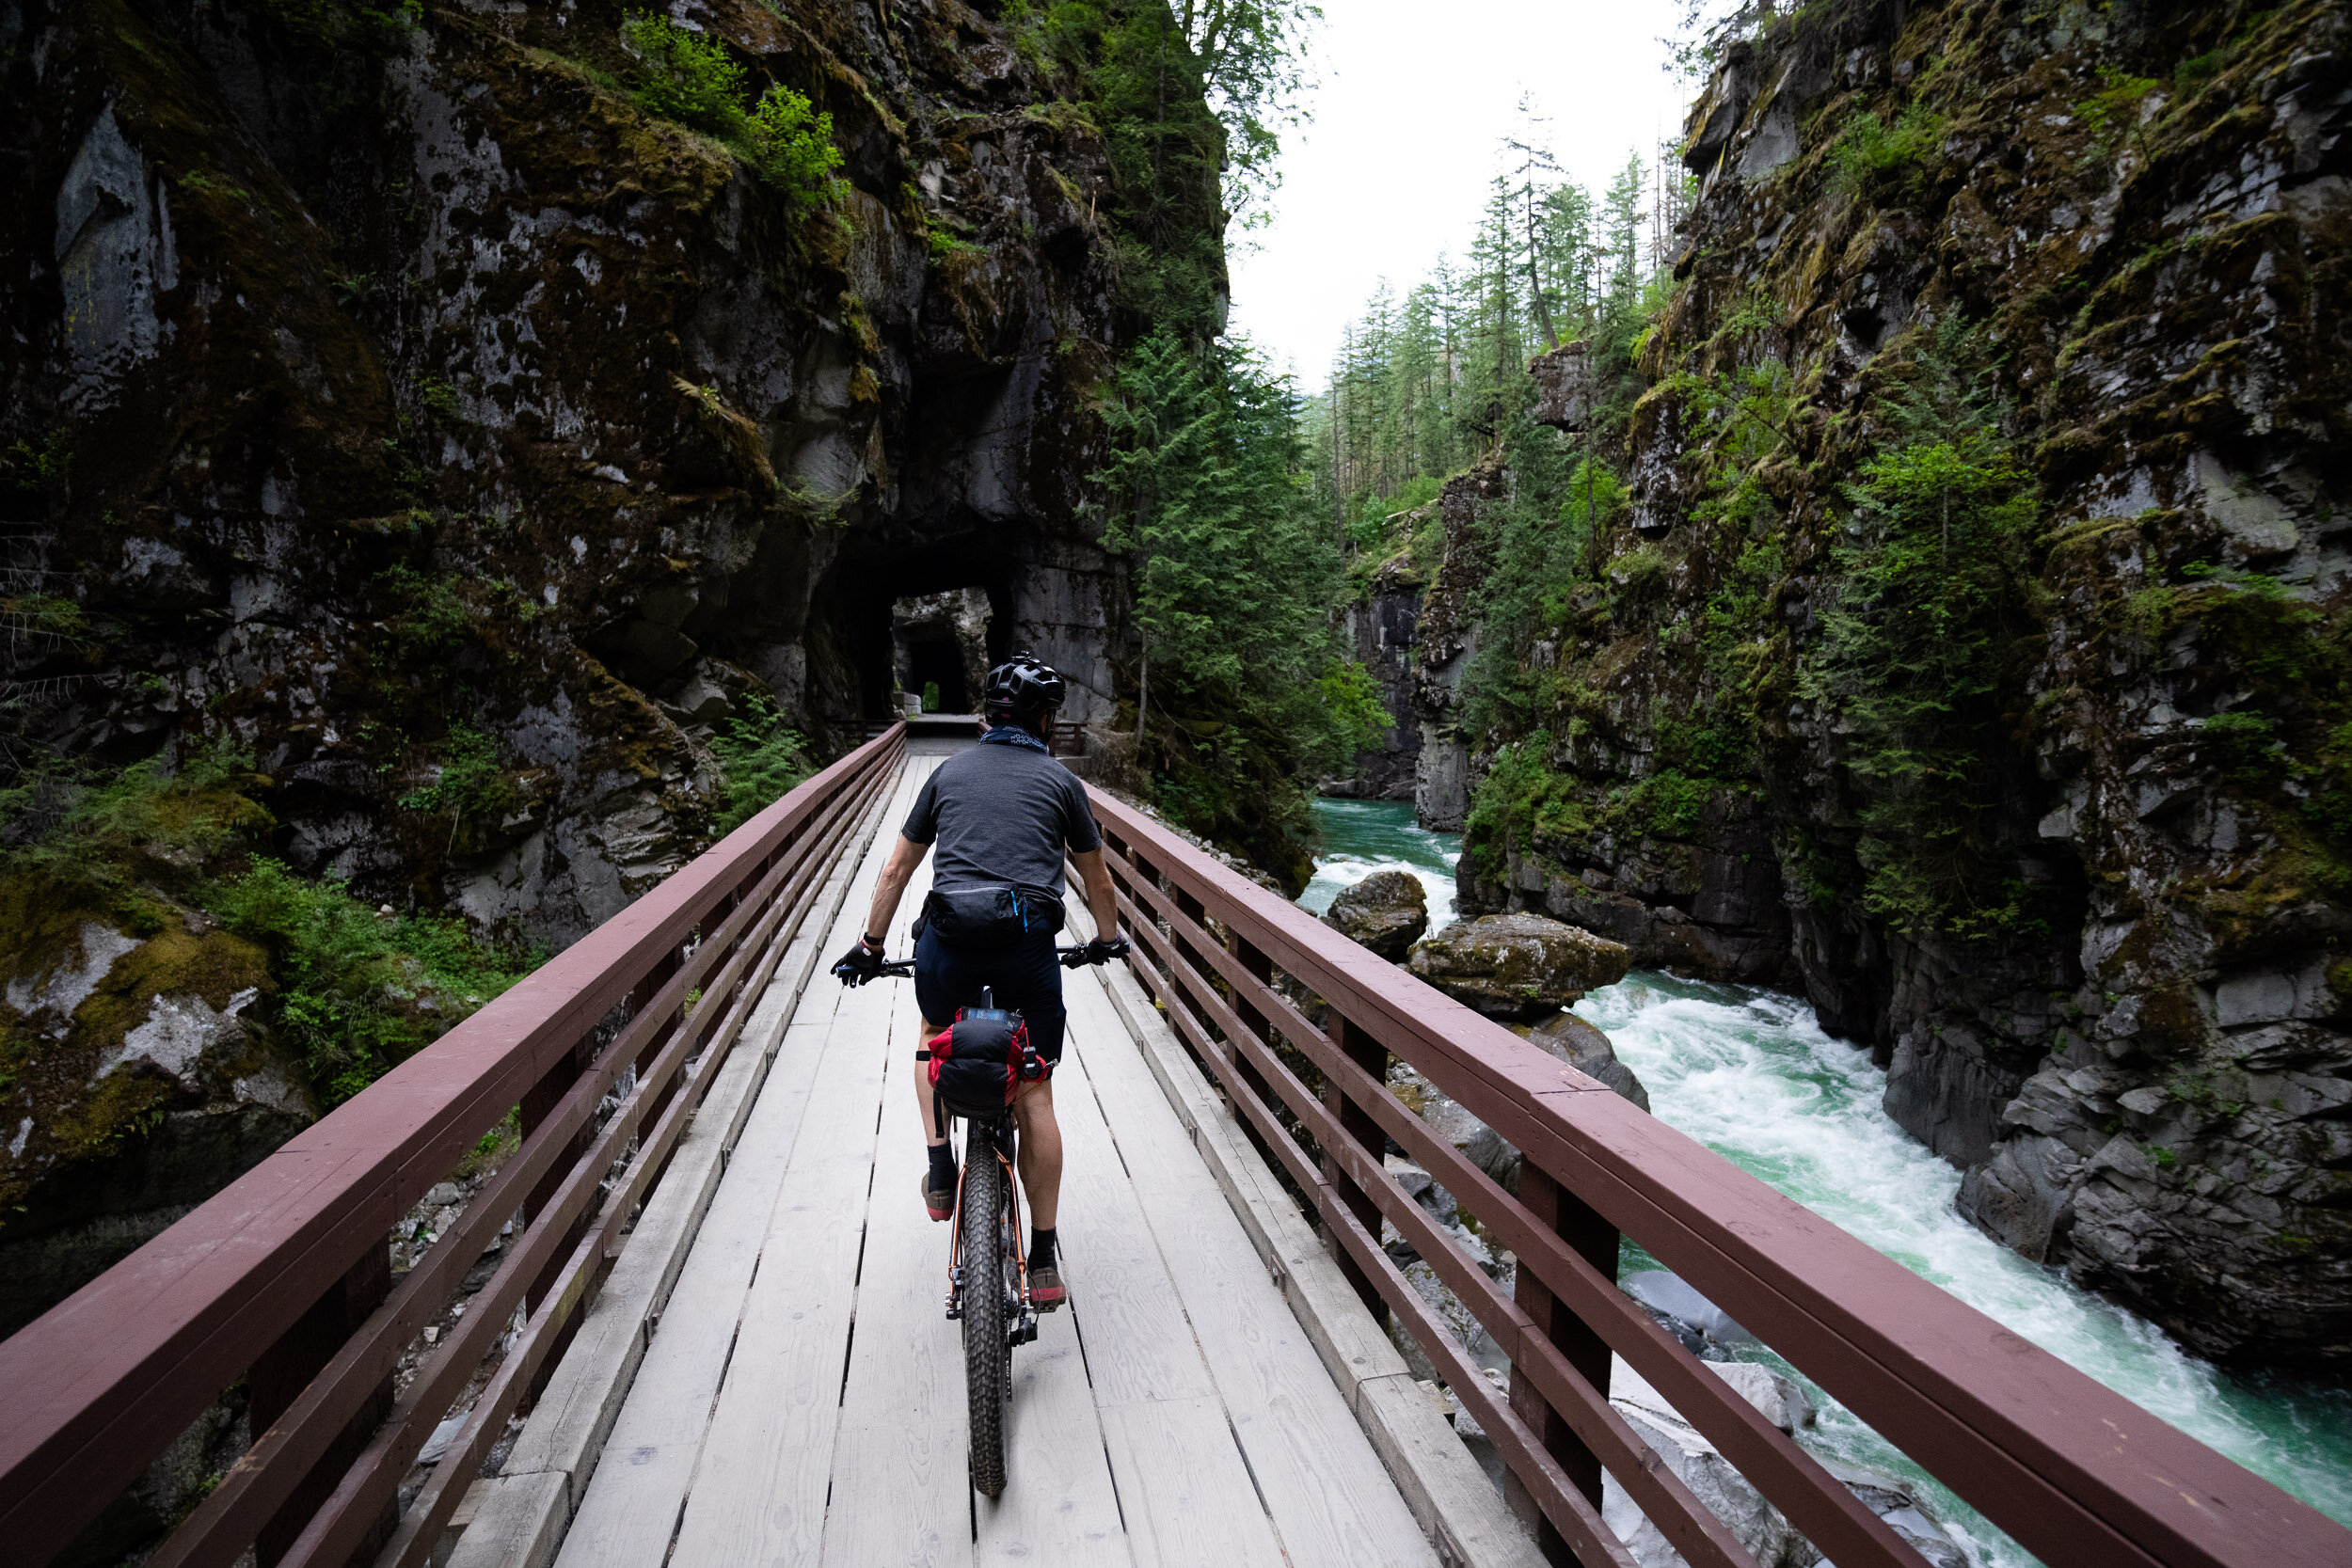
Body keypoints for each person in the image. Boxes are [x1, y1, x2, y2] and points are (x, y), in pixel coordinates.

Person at [833, 652, 1125, 1309]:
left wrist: (870, 945)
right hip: (1025, 954)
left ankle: (941, 1162)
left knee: (932, 1033)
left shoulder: (947, 774)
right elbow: (1098, 879)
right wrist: (1106, 940)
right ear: (1044, 721)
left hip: (950, 949)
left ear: (988, 717)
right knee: (1036, 1088)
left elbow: (894, 871)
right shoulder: (1060, 784)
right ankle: (1044, 1255)